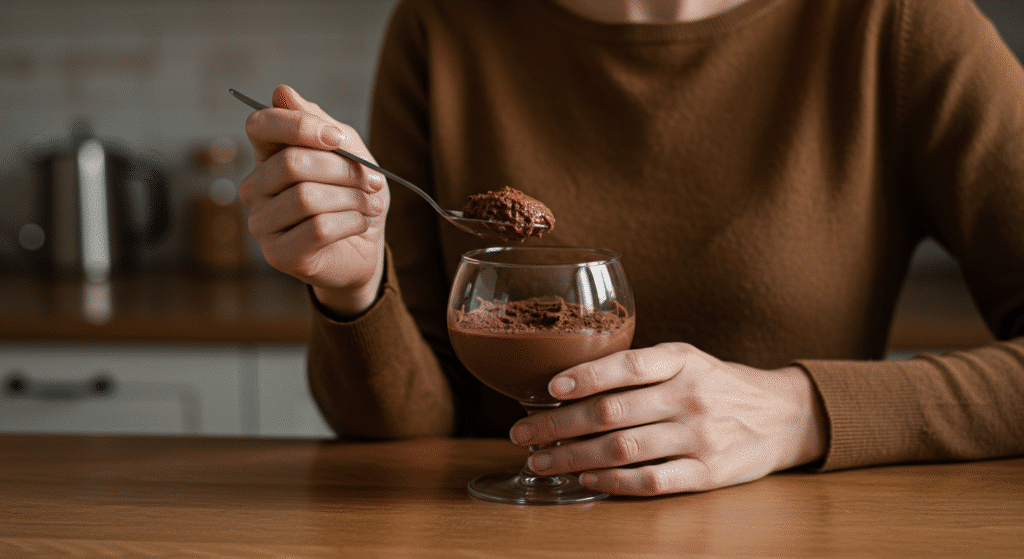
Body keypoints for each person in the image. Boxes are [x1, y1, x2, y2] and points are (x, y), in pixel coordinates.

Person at [239, 0, 1024, 496]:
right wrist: (355, 286)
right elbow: (404, 438)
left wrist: (803, 412)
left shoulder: (898, 24)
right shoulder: (443, 24)